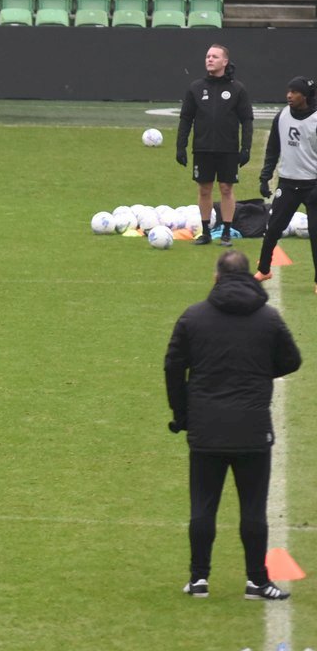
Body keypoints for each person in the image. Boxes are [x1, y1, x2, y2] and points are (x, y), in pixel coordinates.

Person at [164, 249, 301, 601]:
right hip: (253, 428)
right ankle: (257, 581)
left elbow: (173, 366)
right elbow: (292, 360)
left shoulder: (193, 317)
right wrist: (259, 373)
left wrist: (182, 414)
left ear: (216, 277)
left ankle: (198, 579)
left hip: (206, 427)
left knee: (203, 505)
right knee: (253, 508)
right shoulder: (268, 318)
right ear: (249, 276)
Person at [176, 44, 254, 247]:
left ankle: (226, 232)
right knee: (204, 189)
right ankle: (206, 232)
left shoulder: (237, 89)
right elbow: (186, 118)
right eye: (208, 56)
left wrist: (246, 148)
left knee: (226, 188)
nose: (210, 59)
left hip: (228, 149)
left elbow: (247, 120)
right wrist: (181, 146)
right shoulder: (195, 87)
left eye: (215, 56)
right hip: (202, 148)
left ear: (225, 61)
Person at [254, 76, 317, 293]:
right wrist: (265, 177)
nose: (289, 95)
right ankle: (264, 269)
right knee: (272, 228)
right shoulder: (281, 116)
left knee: (315, 233)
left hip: (313, 185)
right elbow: (273, 149)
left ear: (305, 96)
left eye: (295, 92)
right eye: (288, 91)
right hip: (288, 183)